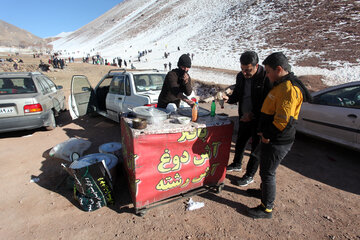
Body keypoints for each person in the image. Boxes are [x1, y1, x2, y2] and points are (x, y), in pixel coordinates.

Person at [246, 52, 311, 219]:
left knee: (268, 173)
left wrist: (267, 135)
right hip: (271, 137)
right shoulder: (281, 84)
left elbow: (283, 121)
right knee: (265, 169)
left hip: (277, 140)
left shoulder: (289, 89)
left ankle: (266, 208)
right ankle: (263, 193)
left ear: (279, 69)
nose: (266, 75)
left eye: (268, 71)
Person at [224, 51, 271, 188]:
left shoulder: (265, 77)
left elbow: (267, 101)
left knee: (255, 150)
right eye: (243, 69)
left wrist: (253, 114)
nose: (245, 73)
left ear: (256, 66)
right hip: (244, 117)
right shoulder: (241, 76)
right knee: (240, 142)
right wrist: (229, 99)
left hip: (259, 120)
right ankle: (237, 163)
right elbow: (238, 93)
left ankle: (249, 174)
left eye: (248, 70)